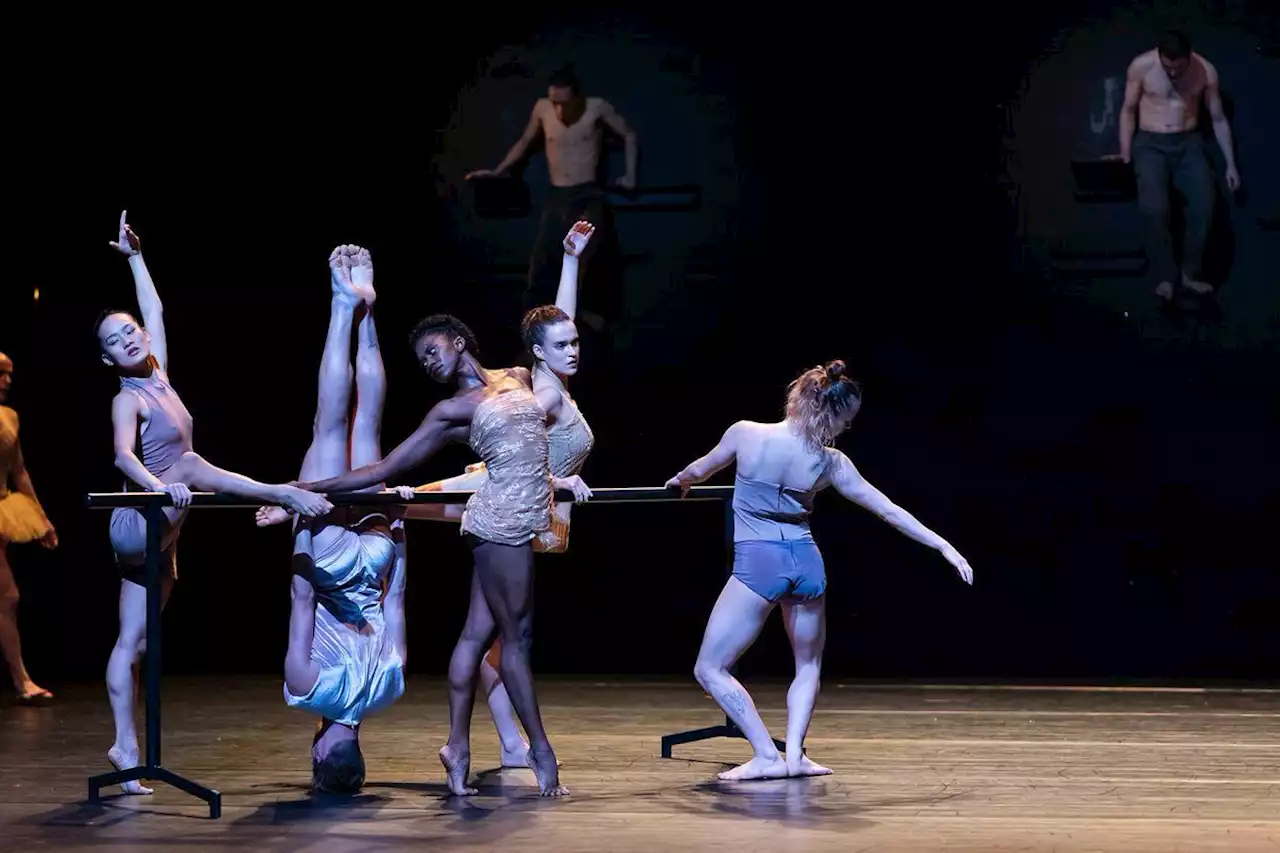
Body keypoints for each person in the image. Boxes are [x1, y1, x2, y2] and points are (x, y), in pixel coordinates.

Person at [99, 211, 333, 794]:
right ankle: (281, 491)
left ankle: (124, 744)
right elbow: (124, 459)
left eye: (130, 331)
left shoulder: (162, 377)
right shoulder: (128, 398)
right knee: (189, 464)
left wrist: (134, 258)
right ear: (107, 361)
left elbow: (154, 311)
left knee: (137, 641)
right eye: (113, 341)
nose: (127, 338)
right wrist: (160, 488)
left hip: (167, 526)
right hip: (139, 518)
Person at [297, 313, 573, 797]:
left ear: (460, 341)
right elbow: (385, 467)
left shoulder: (520, 376)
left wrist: (562, 479)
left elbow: (551, 340)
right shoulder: (450, 411)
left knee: (475, 635)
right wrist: (303, 491)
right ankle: (541, 751)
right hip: (501, 524)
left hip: (523, 516)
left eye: (433, 350)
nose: (428, 362)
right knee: (517, 640)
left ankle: (457, 749)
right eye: (422, 359)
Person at [665, 361, 974, 781]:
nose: (846, 429)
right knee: (807, 664)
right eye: (845, 421)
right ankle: (793, 755)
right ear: (825, 414)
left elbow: (698, 471)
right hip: (806, 562)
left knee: (710, 668)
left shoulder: (746, 433)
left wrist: (681, 481)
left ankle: (767, 756)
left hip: (761, 562)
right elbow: (887, 510)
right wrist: (942, 544)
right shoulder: (830, 463)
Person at [404, 220, 596, 768]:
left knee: (486, 632)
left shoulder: (551, 383)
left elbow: (558, 326)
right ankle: (299, 504)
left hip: (524, 508)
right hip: (499, 492)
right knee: (397, 498)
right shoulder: (539, 392)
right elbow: (520, 449)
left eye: (575, 343)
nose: (572, 348)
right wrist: (560, 480)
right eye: (563, 345)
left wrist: (572, 262)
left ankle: (490, 743)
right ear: (541, 353)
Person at [258, 245, 408, 795]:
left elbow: (396, 600)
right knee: (329, 425)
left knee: (366, 420)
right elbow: (301, 601)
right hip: (329, 562)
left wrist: (397, 526)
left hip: (375, 556)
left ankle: (368, 314)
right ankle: (343, 307)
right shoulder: (307, 690)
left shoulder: (390, 689)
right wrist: (297, 513)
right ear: (320, 755)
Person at [465, 64, 636, 344]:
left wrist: (630, 175)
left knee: (588, 257)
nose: (558, 110)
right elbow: (524, 141)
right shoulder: (542, 108)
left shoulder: (596, 108)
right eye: (554, 102)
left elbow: (628, 134)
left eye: (564, 103)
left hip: (587, 193)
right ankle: (533, 330)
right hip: (558, 195)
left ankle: (585, 320)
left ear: (577, 98)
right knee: (543, 260)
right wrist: (498, 171)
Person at [1113, 29, 1241, 301]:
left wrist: (1231, 164)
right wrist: (1125, 152)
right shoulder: (1142, 66)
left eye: (1178, 68)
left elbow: (1218, 119)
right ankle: (1165, 276)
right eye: (1167, 67)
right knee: (1153, 208)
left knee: (1206, 205)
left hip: (1188, 144)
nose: (1172, 74)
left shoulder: (1206, 71)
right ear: (1160, 57)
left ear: (1189, 57)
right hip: (1149, 144)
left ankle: (1190, 273)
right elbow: (1127, 110)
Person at [0, 352, 58, 704]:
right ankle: (21, 680)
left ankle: (22, 680)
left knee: (6, 599)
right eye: (0, 374)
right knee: (7, 597)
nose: (7, 381)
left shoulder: (9, 417)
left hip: (4, 507)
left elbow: (19, 470)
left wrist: (42, 520)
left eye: (9, 374)